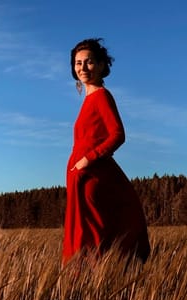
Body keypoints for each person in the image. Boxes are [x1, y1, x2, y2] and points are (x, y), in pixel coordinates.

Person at [62, 38, 150, 267]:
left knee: (94, 236)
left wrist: (87, 160)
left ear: (101, 65)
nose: (82, 67)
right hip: (80, 176)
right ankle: (86, 287)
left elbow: (118, 134)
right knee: (85, 237)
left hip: (92, 175)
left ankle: (99, 284)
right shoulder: (89, 98)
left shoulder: (101, 95)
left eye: (89, 62)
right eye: (78, 63)